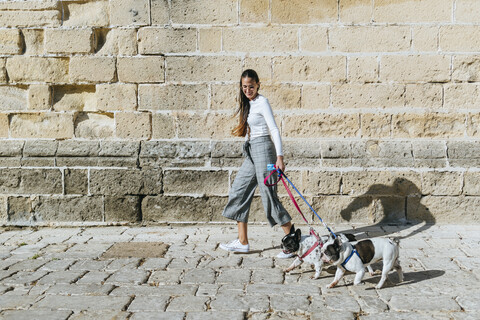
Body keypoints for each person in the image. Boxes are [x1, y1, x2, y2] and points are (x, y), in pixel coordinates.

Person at [219, 69, 294, 258]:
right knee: (239, 189)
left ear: (258, 84)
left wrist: (280, 157)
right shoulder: (248, 103)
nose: (247, 90)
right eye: (244, 87)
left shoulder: (262, 102)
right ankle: (242, 242)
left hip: (266, 153)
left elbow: (274, 130)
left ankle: (293, 243)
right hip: (252, 151)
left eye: (251, 87)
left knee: (269, 196)